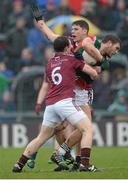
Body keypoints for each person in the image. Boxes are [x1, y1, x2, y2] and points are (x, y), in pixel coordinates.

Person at [28, 3, 121, 171]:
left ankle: (69, 157)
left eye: (76, 29)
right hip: (74, 91)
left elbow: (97, 67)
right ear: (110, 42)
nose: (73, 31)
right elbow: (56, 37)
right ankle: (71, 157)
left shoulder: (101, 56)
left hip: (81, 91)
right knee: (84, 128)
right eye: (116, 48)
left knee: (73, 128)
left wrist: (99, 62)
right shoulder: (81, 42)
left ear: (84, 31)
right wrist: (41, 23)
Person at [12, 36, 98, 173]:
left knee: (41, 137)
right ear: (66, 48)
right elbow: (92, 73)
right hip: (65, 101)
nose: (71, 47)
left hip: (51, 104)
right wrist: (95, 67)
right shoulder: (71, 60)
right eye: (69, 46)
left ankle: (19, 164)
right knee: (87, 129)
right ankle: (85, 164)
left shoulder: (49, 64)